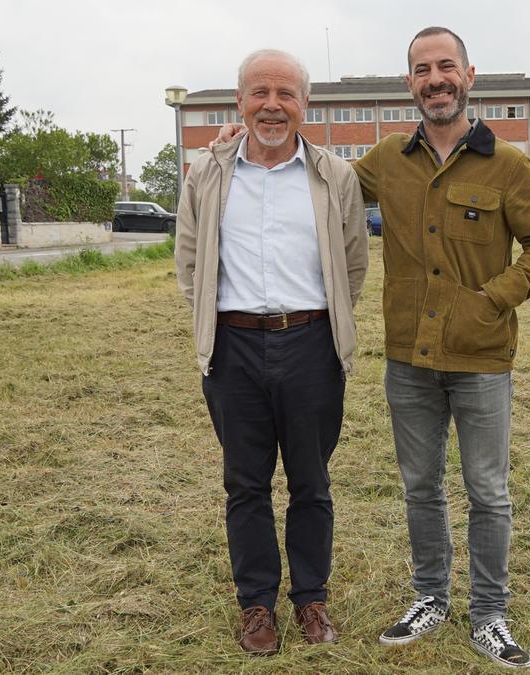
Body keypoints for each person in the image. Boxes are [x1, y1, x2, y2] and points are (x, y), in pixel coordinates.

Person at [213, 25, 530, 669]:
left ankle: (489, 612)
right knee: (420, 486)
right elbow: (318, 179)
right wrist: (239, 144)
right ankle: (430, 596)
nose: (436, 79)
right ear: (410, 83)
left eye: (446, 67)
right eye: (422, 69)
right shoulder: (385, 162)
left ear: (468, 75)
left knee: (488, 490)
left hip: (482, 356)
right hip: (409, 358)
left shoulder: (509, 165)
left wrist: (493, 298)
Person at [174, 48, 369, 656]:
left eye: (286, 94)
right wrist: (216, 320)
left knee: (311, 483)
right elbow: (188, 259)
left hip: (311, 346)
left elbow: (354, 262)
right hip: (232, 350)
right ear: (240, 102)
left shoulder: (335, 176)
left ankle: (311, 599)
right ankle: (255, 605)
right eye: (260, 93)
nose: (272, 105)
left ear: (304, 105)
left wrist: (319, 323)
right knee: (246, 485)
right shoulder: (206, 173)